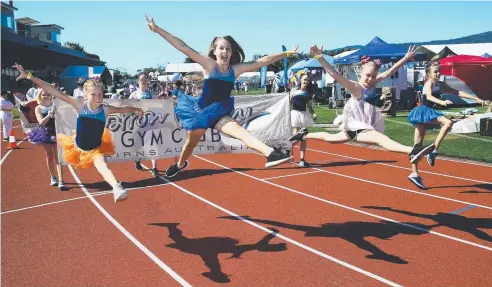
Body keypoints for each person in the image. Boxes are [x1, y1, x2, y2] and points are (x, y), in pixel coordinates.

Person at [145, 15, 293, 177]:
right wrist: (158, 30)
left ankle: (270, 153)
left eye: (228, 49)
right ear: (214, 51)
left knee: (241, 133)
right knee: (190, 144)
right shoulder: (209, 65)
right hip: (200, 113)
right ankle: (180, 164)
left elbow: (263, 61)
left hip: (220, 112)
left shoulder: (235, 70)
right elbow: (183, 46)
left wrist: (286, 54)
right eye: (221, 48)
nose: (225, 51)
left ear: (231, 53)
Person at [13, 63, 144, 203]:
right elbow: (52, 90)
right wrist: (29, 76)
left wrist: (137, 109)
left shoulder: (105, 109)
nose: (98, 97)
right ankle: (58, 178)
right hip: (79, 146)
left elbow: (122, 109)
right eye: (93, 94)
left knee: (102, 165)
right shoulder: (80, 105)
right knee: (62, 157)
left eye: (100, 94)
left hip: (96, 147)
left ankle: (117, 187)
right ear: (85, 95)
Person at [290, 45, 435, 168]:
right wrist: (319, 57)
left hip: (359, 123)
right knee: (380, 139)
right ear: (360, 71)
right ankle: (412, 150)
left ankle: (304, 134)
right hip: (356, 124)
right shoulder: (355, 87)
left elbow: (390, 71)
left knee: (330, 138)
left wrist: (405, 58)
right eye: (367, 75)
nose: (370, 79)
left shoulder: (373, 82)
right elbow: (333, 74)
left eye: (373, 76)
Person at [407, 61, 486, 189]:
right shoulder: (429, 83)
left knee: (443, 126)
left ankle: (423, 163)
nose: (438, 74)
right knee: (419, 144)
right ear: (428, 73)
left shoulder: (440, 84)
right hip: (423, 112)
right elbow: (429, 96)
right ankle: (422, 164)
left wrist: (475, 98)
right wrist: (442, 102)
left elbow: (457, 92)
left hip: (429, 112)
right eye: (435, 72)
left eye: (439, 71)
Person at [28, 88, 66, 190]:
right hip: (45, 133)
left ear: (51, 96)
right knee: (49, 156)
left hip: (57, 132)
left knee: (59, 157)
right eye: (44, 95)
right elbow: (41, 122)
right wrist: (50, 114)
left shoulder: (56, 105)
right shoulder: (38, 108)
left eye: (48, 94)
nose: (46, 96)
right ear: (40, 96)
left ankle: (61, 180)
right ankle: (53, 177)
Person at [130, 73, 159, 177]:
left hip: (150, 122)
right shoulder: (134, 94)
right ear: (138, 81)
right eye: (142, 79)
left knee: (153, 145)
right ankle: (137, 160)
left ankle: (154, 168)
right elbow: (129, 107)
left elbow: (159, 106)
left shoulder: (152, 94)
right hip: (138, 124)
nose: (144, 80)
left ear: (148, 81)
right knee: (138, 145)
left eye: (145, 79)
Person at [290, 72, 317, 167]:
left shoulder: (308, 93)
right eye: (305, 79)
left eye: (308, 80)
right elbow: (288, 104)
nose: (306, 81)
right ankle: (290, 154)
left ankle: (302, 159)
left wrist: (313, 113)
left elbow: (309, 106)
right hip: (295, 115)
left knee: (304, 138)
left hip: (303, 115)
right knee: (295, 136)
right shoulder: (293, 91)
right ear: (301, 80)